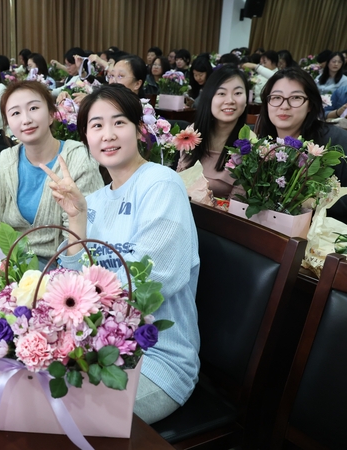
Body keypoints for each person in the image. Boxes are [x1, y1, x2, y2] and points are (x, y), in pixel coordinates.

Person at [42, 83, 200, 424]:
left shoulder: (161, 184)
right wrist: (77, 220)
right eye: (96, 125)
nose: (108, 134)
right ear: (86, 138)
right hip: (97, 349)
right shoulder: (93, 201)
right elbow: (66, 284)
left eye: (119, 122)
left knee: (61, 417)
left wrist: (80, 302)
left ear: (140, 129)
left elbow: (150, 285)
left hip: (156, 359)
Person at [0, 80, 103, 265]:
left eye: (33, 108)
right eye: (15, 113)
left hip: (58, 268)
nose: (26, 119)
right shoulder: (4, 161)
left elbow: (84, 237)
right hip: (6, 268)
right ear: (8, 124)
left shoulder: (78, 159)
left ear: (51, 114)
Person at [256, 68, 347, 222]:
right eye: (276, 97)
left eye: (296, 98)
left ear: (310, 104)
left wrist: (316, 202)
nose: (284, 106)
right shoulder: (259, 141)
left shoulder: (338, 141)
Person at [177, 65, 249, 198]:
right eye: (221, 93)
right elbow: (179, 181)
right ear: (209, 98)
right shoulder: (193, 133)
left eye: (238, 93)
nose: (230, 101)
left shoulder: (249, 145)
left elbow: (237, 205)